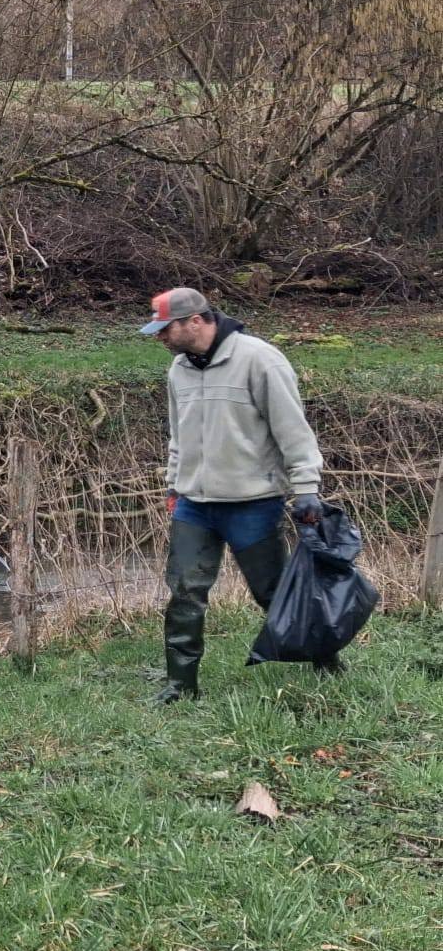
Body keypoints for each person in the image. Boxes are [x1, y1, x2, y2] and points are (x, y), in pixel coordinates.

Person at [142, 286, 325, 702]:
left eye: (166, 329)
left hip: (252, 502)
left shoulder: (260, 360)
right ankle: (180, 685)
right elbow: (178, 436)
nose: (160, 337)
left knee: (273, 593)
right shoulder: (179, 369)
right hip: (193, 504)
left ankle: (324, 657)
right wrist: (174, 484)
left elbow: (293, 430)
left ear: (195, 321)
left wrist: (306, 488)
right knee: (185, 591)